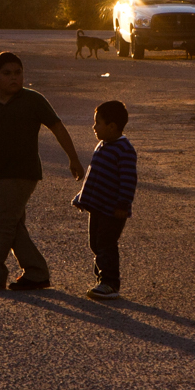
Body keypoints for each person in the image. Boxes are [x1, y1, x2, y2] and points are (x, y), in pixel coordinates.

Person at [0, 50, 83, 291]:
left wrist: (73, 158)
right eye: (7, 74)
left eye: (18, 73)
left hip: (23, 173)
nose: (14, 78)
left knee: (1, 224)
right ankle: (36, 273)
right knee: (13, 225)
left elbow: (57, 127)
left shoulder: (33, 100)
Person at [70, 99, 135, 300]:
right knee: (96, 244)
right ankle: (102, 278)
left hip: (113, 209)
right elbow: (94, 176)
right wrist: (83, 198)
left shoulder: (124, 150)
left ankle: (110, 282)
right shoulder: (103, 145)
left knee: (106, 243)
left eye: (98, 123)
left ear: (112, 126)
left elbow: (128, 179)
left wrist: (123, 204)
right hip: (97, 206)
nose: (94, 127)